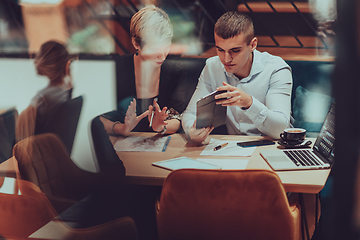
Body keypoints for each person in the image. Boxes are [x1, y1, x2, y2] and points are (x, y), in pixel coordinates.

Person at [181, 11, 292, 143]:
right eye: (220, 50)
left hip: (273, 146)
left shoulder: (276, 69)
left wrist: (249, 103)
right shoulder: (212, 67)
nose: (226, 59)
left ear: (253, 45)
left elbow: (281, 129)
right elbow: (190, 114)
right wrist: (191, 131)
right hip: (233, 147)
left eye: (235, 51)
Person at [100, 5, 186, 136]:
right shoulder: (116, 68)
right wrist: (121, 128)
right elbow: (96, 119)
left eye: (166, 47)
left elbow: (178, 119)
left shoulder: (173, 71)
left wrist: (160, 127)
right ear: (136, 43)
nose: (162, 56)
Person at [16, 40, 75, 141]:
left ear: (49, 62)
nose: (35, 62)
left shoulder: (43, 99)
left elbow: (22, 137)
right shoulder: (64, 92)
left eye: (38, 57)